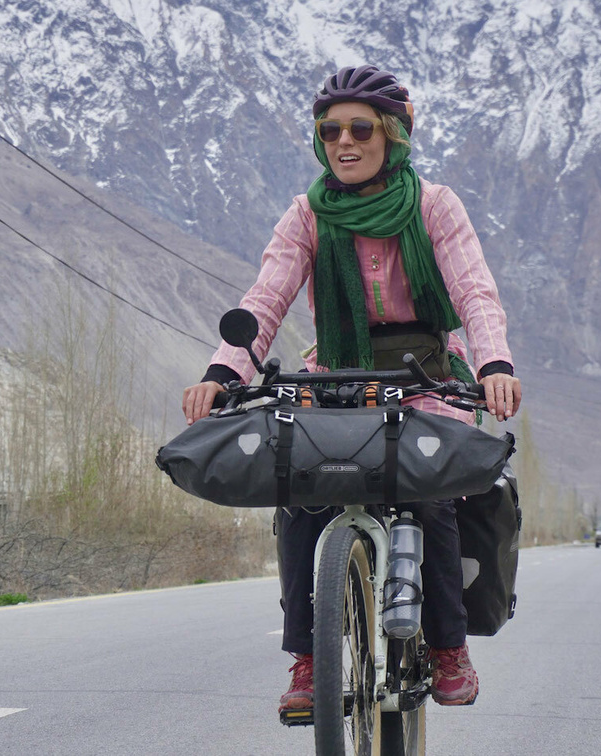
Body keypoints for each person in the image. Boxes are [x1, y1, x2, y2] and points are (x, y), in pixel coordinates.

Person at [182, 65, 522, 717]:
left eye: (360, 128)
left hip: (424, 371)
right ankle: (308, 662)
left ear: (392, 135)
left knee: (433, 489)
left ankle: (449, 648)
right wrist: (223, 373)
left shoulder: (433, 206)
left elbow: (476, 291)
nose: (345, 141)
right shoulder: (307, 214)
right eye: (330, 129)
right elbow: (266, 298)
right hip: (335, 372)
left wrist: (494, 363)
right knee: (301, 487)